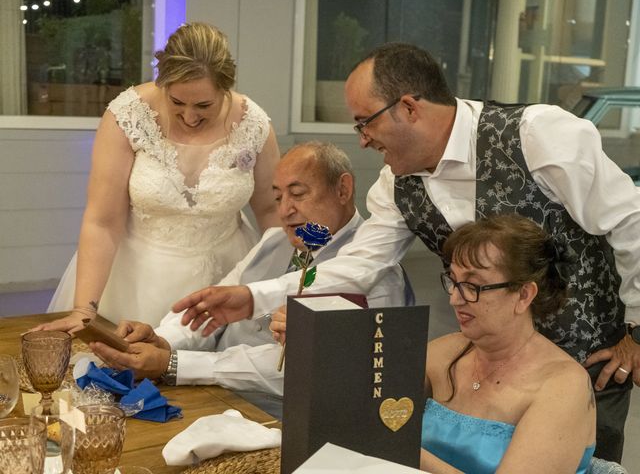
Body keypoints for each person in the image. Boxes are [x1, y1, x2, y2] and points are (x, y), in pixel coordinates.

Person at [169, 42, 640, 462]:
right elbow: (361, 264)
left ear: (409, 107)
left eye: (364, 121)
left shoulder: (537, 134)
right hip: (486, 364)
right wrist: (253, 298)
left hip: (588, 358)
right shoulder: (398, 183)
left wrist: (638, 331)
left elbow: (630, 221)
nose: (362, 139)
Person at [87, 141, 413, 418]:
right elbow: (209, 312)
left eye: (297, 194)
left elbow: (298, 372)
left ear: (343, 189)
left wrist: (173, 364)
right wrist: (162, 340)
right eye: (278, 197)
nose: (285, 211)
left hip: (281, 422)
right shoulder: (273, 240)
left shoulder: (380, 278)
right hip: (208, 398)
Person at [38, 23, 280, 331]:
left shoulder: (253, 124)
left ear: (225, 88)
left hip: (225, 279)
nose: (190, 117)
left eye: (204, 105)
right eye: (177, 102)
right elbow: (102, 221)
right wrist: (85, 309)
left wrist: (281, 287)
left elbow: (272, 212)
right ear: (162, 82)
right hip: (135, 281)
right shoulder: (129, 115)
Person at [421, 214, 595, 474]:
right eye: (453, 281)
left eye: (473, 285)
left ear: (524, 295)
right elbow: (372, 414)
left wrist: (403, 451)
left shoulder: (563, 385)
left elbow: (383, 436)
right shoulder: (441, 353)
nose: (455, 300)